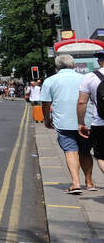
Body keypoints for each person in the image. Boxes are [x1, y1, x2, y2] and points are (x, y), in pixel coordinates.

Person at [41, 54, 86, 194]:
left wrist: (46, 119)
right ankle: (90, 182)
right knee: (86, 152)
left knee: (70, 151)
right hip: (85, 121)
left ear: (57, 66)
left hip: (63, 121)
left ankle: (76, 183)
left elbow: (45, 103)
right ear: (73, 65)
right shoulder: (85, 78)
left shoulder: (50, 81)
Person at [77, 49, 104, 193]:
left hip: (100, 123)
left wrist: (81, 123)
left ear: (100, 61)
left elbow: (82, 103)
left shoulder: (90, 77)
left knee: (101, 156)